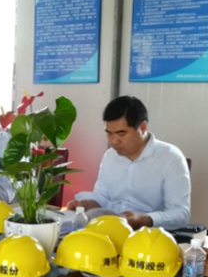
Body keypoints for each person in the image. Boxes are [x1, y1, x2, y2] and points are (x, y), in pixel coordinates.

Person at [67, 96, 190, 230]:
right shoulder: (110, 156)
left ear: (142, 128)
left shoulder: (170, 158)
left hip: (149, 234)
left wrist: (146, 219)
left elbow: (181, 213)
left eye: (121, 134)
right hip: (110, 227)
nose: (114, 141)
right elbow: (102, 195)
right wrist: (89, 204)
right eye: (109, 134)